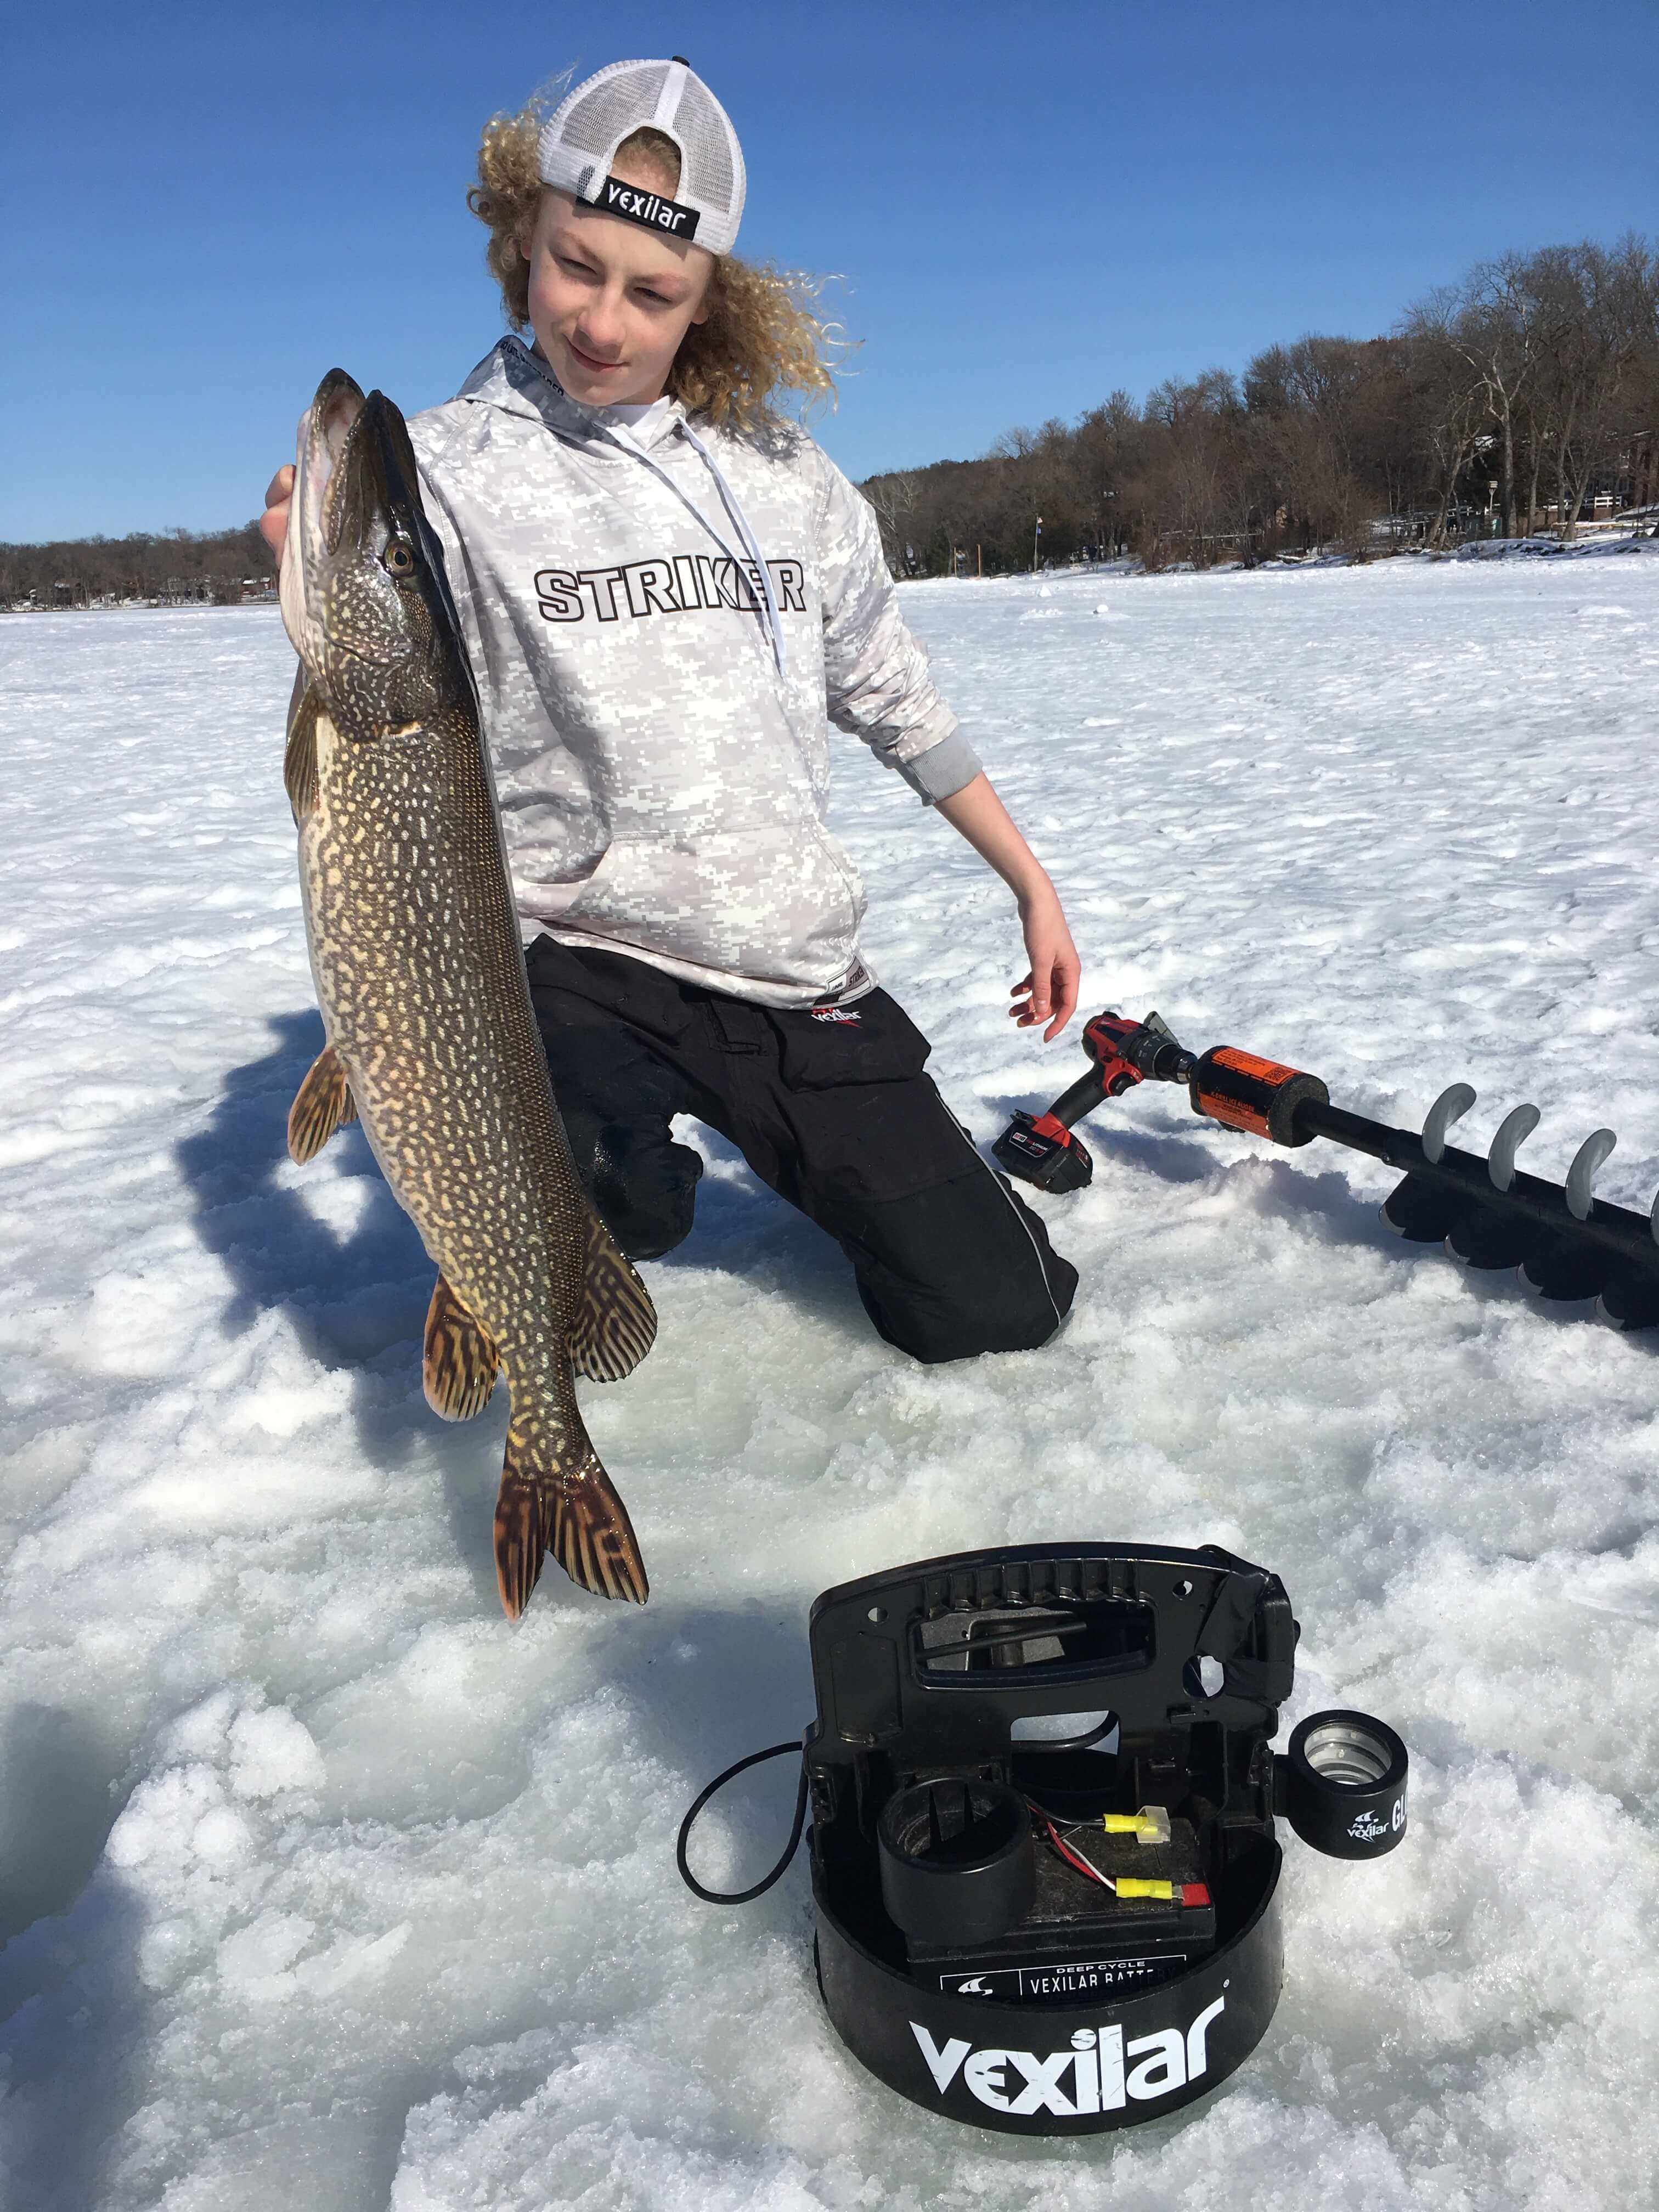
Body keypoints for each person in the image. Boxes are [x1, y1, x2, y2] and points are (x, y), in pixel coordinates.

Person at [262, 57, 1081, 1364]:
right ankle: (622, 1177)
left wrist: (1028, 882)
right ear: (520, 239)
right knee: (599, 1193)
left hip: (786, 961)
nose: (604, 321)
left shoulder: (782, 470)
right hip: (574, 960)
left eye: (655, 293)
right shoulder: (449, 470)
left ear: (709, 302)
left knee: (996, 1310)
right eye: (575, 266)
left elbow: (884, 684)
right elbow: (384, 689)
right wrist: (310, 561)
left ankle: (795, 1150)